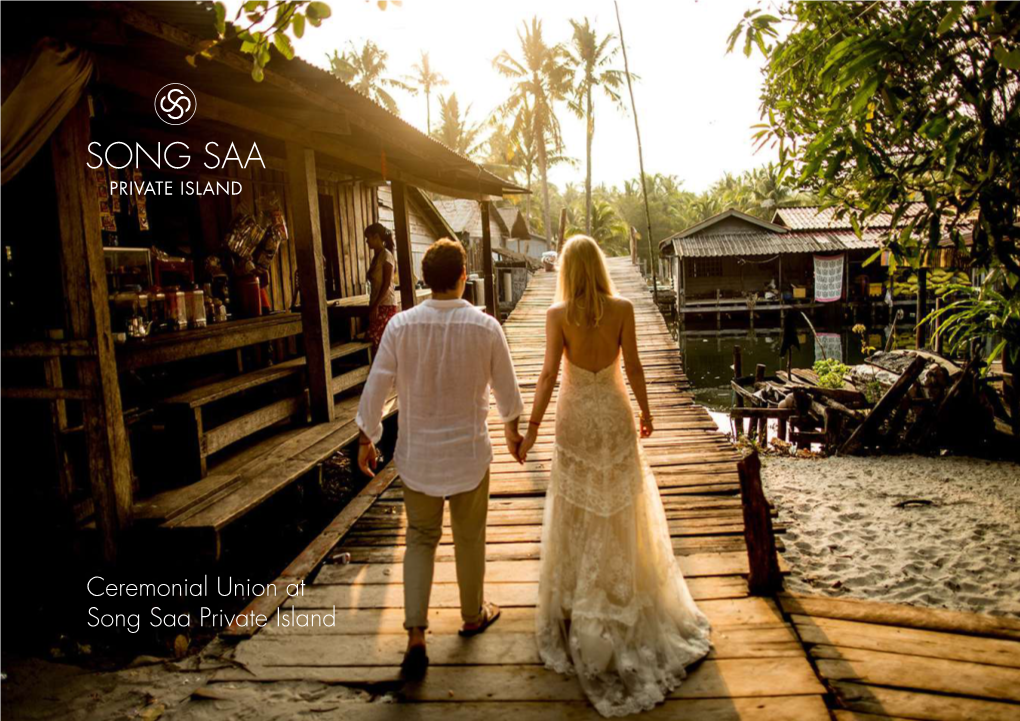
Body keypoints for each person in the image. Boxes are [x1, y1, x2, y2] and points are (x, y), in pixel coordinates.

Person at [518, 235, 712, 717]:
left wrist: (530, 432)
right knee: (622, 503)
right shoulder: (623, 308)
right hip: (614, 413)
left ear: (566, 269)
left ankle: (574, 602)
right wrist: (646, 412)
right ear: (600, 267)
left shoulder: (557, 315)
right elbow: (636, 366)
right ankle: (622, 593)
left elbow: (546, 377)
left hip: (575, 419)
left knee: (577, 504)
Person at [356, 238, 525, 678]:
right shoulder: (486, 326)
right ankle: (472, 614)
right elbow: (507, 392)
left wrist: (367, 437)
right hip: (469, 453)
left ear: (425, 281)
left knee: (420, 538)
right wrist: (511, 430)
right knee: (470, 538)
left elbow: (377, 386)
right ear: (463, 277)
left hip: (418, 455)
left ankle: (416, 633)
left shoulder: (401, 327)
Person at [364, 222, 400, 352]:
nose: (367, 241)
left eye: (368, 238)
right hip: (377, 304)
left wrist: (376, 306)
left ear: (376, 237)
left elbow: (386, 284)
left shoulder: (386, 256)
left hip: (386, 305)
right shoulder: (376, 257)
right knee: (375, 342)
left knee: (374, 338)